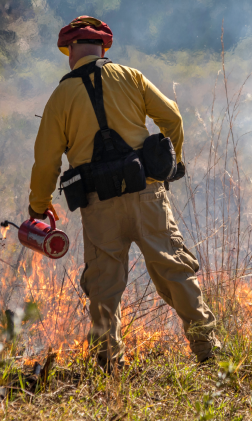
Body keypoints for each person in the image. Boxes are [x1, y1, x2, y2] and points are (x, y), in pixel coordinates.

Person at [28, 16, 221, 370]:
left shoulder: (60, 97)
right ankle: (209, 352)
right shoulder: (131, 76)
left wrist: (39, 207)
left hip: (99, 207)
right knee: (175, 270)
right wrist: (173, 165)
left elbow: (46, 162)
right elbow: (173, 118)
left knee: (104, 287)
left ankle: (107, 364)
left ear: (70, 51)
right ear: (104, 48)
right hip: (148, 194)